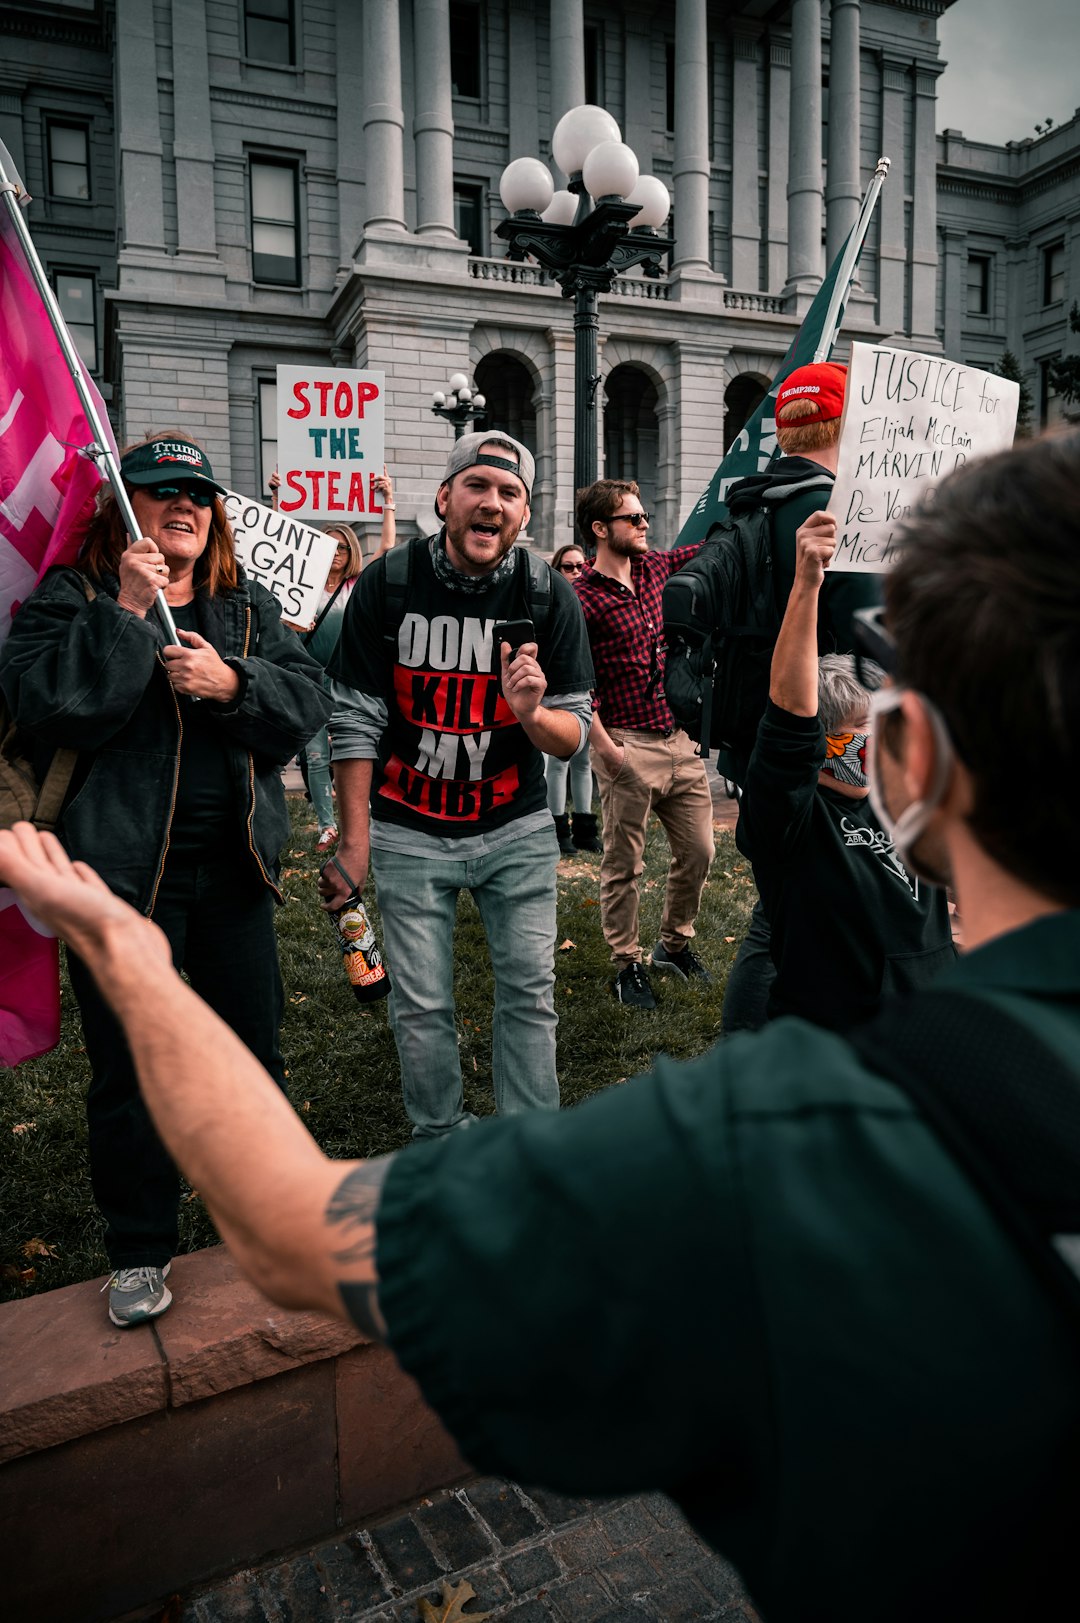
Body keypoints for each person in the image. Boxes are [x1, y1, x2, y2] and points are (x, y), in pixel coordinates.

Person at [6, 431, 1079, 1622]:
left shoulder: (785, 1139)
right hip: (407, 838)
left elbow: (290, 1229)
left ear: (909, 754)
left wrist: (117, 948)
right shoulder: (372, 594)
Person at [0, 432, 332, 1327]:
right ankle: (140, 1249)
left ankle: (265, 1219)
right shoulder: (71, 599)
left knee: (250, 1057)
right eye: (159, 490)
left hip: (233, 875)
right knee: (131, 1069)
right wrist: (124, 609)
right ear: (121, 504)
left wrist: (235, 682)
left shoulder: (245, 608)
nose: (183, 504)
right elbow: (53, 707)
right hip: (116, 883)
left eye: (198, 493)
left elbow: (308, 705)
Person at [319, 431, 594, 1138]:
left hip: (516, 828)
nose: (492, 503)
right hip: (410, 828)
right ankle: (438, 1139)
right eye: (477, 486)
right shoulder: (390, 583)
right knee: (420, 1004)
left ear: (525, 516)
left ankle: (530, 1148)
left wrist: (532, 711)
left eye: (510, 494)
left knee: (530, 994)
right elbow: (354, 721)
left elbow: (575, 733)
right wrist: (355, 842)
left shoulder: (547, 593)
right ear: (445, 498)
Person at [736, 509, 956, 1029]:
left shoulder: (905, 799)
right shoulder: (791, 823)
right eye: (866, 725)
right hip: (840, 1040)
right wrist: (807, 584)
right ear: (826, 738)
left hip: (930, 1029)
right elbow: (791, 710)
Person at [721, 360, 884, 1033]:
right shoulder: (846, 511)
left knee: (780, 901)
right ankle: (762, 1043)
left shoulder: (745, 504)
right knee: (791, 910)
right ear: (846, 423)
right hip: (834, 744)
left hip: (754, 742)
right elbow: (874, 645)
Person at [573, 479, 715, 1010]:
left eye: (643, 516)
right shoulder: (582, 597)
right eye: (633, 518)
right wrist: (607, 749)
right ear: (600, 529)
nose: (644, 524)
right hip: (627, 745)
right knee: (623, 864)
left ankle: (673, 946)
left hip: (678, 741)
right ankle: (626, 963)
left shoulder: (655, 568)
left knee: (699, 851)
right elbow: (574, 682)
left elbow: (707, 548)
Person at [298, 469, 398, 854]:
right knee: (316, 754)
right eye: (328, 546)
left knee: (355, 751)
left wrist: (387, 500)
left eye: (342, 547)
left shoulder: (359, 586)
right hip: (313, 680)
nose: (336, 553)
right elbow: (276, 562)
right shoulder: (303, 588)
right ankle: (327, 825)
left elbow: (387, 546)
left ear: (351, 551)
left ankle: (363, 818)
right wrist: (275, 502)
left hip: (351, 680)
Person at [544, 543, 600, 856]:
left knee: (583, 762)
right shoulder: (553, 599)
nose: (576, 572)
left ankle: (585, 830)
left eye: (581, 566)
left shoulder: (591, 601)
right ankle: (558, 830)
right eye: (569, 566)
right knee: (559, 761)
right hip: (559, 689)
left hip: (588, 689)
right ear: (557, 568)